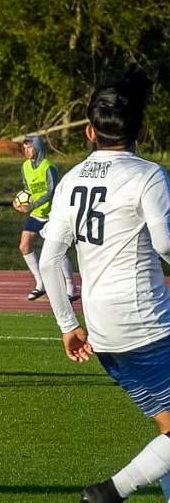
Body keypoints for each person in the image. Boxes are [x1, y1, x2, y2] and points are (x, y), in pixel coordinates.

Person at [38, 71, 170, 502]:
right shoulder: (148, 175)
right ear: (141, 130)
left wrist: (66, 324)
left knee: (168, 432)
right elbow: (166, 243)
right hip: (147, 322)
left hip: (102, 332)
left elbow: (50, 258)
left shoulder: (72, 180)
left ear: (90, 131)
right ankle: (111, 493)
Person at [14, 135, 78, 301]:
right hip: (37, 214)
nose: (27, 150)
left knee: (58, 251)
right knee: (24, 245)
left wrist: (32, 205)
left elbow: (51, 192)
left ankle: (71, 287)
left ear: (38, 147)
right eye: (25, 147)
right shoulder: (25, 167)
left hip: (53, 214)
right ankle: (40, 283)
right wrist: (19, 202)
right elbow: (27, 189)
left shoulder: (48, 166)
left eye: (30, 147)